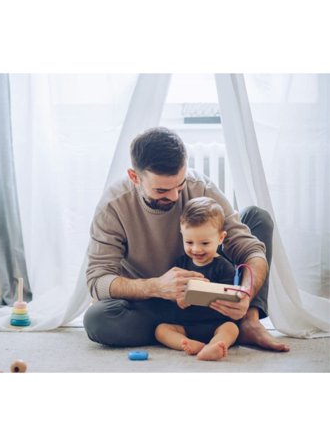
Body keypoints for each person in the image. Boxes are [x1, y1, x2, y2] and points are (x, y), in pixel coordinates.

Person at [84, 127, 289, 352]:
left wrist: (245, 294)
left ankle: (247, 320)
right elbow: (97, 280)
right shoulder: (113, 206)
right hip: (157, 304)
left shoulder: (201, 188)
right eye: (161, 190)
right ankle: (202, 329)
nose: (174, 196)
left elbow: (249, 249)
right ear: (135, 177)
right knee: (97, 320)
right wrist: (157, 287)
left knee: (258, 218)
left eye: (179, 185)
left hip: (211, 298)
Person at [155, 197, 242, 361]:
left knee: (231, 329)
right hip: (186, 324)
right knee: (161, 330)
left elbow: (231, 298)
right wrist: (178, 299)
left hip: (216, 323)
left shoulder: (224, 267)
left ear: (221, 238)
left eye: (204, 243)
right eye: (189, 242)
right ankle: (187, 343)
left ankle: (214, 345)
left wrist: (211, 293)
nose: (196, 249)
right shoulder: (180, 264)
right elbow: (172, 291)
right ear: (181, 235)